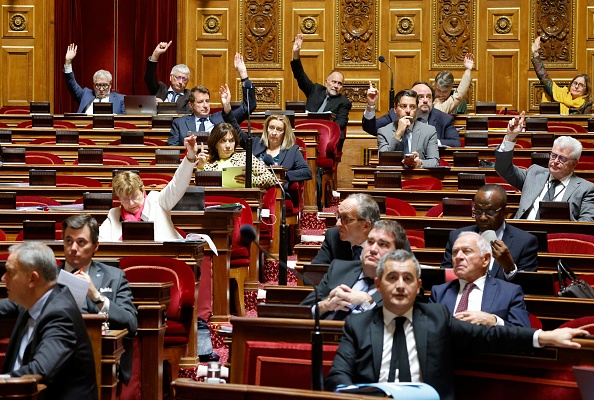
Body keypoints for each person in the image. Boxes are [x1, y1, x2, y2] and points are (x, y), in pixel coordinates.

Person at [325, 249, 588, 400]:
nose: (400, 285)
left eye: (408, 278)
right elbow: (338, 374)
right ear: (379, 285)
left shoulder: (437, 318)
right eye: (392, 277)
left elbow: (491, 337)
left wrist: (545, 337)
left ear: (418, 287)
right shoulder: (357, 325)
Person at [0, 242, 98, 399]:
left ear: (32, 279)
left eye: (10, 273)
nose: (3, 278)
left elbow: (39, 370)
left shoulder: (61, 315)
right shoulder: (31, 298)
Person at [62, 214, 138, 385]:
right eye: (68, 241)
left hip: (102, 358)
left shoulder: (114, 277)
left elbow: (131, 323)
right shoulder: (49, 277)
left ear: (95, 246)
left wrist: (97, 297)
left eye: (81, 242)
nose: (73, 248)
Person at [495, 112, 594, 221]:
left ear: (574, 163)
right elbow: (503, 168)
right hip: (525, 232)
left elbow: (586, 222)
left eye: (562, 158)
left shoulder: (586, 189)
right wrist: (510, 137)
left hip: (559, 235)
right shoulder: (534, 173)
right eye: (553, 155)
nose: (555, 161)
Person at [301, 220, 409, 320]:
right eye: (370, 242)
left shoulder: (406, 285)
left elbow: (402, 325)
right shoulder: (339, 269)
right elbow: (301, 311)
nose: (372, 250)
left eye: (383, 244)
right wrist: (325, 305)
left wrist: (369, 302)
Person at [99, 134, 199, 241]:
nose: (131, 203)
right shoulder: (114, 214)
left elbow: (177, 185)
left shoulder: (158, 202)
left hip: (164, 255)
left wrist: (190, 157)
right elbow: (100, 242)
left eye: (134, 197)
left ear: (143, 190)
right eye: (125, 199)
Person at [431, 232, 530, 327]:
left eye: (467, 251)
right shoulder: (439, 293)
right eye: (455, 252)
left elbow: (523, 334)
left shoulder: (509, 292)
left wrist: (495, 321)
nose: (458, 257)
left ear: (486, 259)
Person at [441, 184, 538, 281]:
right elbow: (445, 277)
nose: (483, 217)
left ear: (505, 212)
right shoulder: (457, 237)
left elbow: (527, 286)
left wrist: (510, 267)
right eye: (478, 211)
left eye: (490, 212)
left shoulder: (525, 242)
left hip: (501, 295)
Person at [311, 193, 411, 264]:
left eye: (346, 219)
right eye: (339, 217)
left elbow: (413, 285)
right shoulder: (333, 236)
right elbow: (315, 274)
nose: (338, 224)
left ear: (366, 226)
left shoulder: (393, 240)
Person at [167, 72, 255, 146]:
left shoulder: (223, 118)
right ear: (191, 105)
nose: (205, 105)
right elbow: (173, 150)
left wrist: (243, 75)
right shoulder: (180, 123)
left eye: (207, 101)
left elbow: (249, 106)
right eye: (200, 102)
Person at [291, 34, 352, 138]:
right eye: (334, 82)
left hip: (325, 135)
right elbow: (300, 75)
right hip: (306, 132)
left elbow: (341, 122)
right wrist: (296, 54)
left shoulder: (343, 102)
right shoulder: (315, 89)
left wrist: (322, 129)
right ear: (326, 82)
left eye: (339, 83)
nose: (336, 86)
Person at [363, 82, 460, 147]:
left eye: (429, 97)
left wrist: (429, 142)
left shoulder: (444, 119)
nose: (426, 100)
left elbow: (456, 143)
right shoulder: (395, 114)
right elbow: (370, 128)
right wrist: (371, 105)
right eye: (421, 97)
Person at [196, 122, 276, 189]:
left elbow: (271, 179)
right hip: (219, 201)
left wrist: (251, 181)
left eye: (231, 141)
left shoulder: (245, 157)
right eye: (223, 141)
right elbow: (199, 186)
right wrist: (200, 167)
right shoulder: (208, 165)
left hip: (245, 200)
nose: (228, 145)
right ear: (215, 144)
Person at [377, 89, 440, 168]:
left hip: (418, 177)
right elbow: (383, 161)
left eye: (412, 107)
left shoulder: (429, 131)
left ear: (417, 109)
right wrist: (398, 134)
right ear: (395, 108)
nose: (408, 110)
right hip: (395, 177)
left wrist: (419, 163)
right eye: (403, 106)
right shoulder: (383, 132)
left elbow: (435, 162)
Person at [252, 114, 313, 196]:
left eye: (279, 129)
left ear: (285, 133)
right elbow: (237, 133)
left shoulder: (292, 151)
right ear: (266, 129)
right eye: (271, 128)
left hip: (277, 193)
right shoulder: (256, 143)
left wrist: (284, 175)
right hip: (254, 190)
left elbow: (307, 172)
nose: (274, 133)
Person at [531, 37, 592, 114]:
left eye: (581, 85)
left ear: (586, 90)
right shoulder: (560, 94)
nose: (576, 87)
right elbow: (544, 78)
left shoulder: (586, 104)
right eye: (575, 83)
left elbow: (585, 123)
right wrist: (536, 53)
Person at [63, 43, 125, 114]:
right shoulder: (85, 95)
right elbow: (71, 83)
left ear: (110, 85)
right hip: (85, 124)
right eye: (98, 85)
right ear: (93, 84)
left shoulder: (121, 99)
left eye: (104, 85)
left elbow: (126, 121)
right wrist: (68, 62)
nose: (101, 89)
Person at [144, 40, 192, 113]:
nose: (181, 82)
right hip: (157, 123)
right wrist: (155, 55)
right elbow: (149, 77)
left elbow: (188, 113)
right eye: (178, 77)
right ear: (171, 77)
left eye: (184, 79)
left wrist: (164, 106)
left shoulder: (189, 95)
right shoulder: (160, 89)